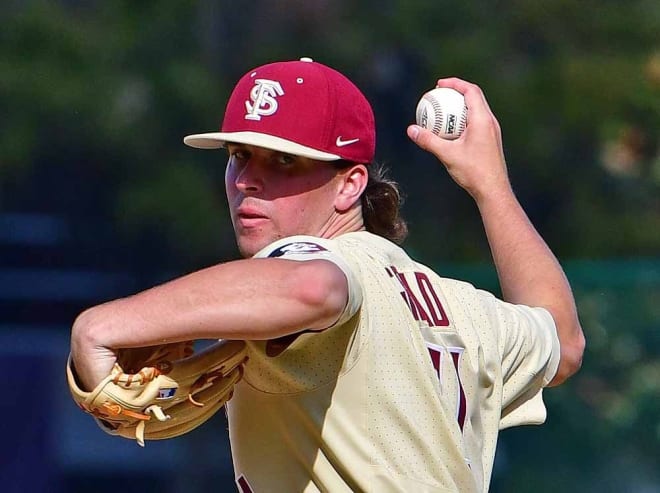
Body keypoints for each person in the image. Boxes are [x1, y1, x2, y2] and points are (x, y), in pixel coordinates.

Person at [70, 57, 585, 492]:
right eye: (239, 157)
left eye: (283, 162)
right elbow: (562, 339)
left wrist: (100, 326)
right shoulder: (459, 307)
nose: (248, 180)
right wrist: (490, 185)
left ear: (349, 185)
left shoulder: (313, 259)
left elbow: (313, 286)